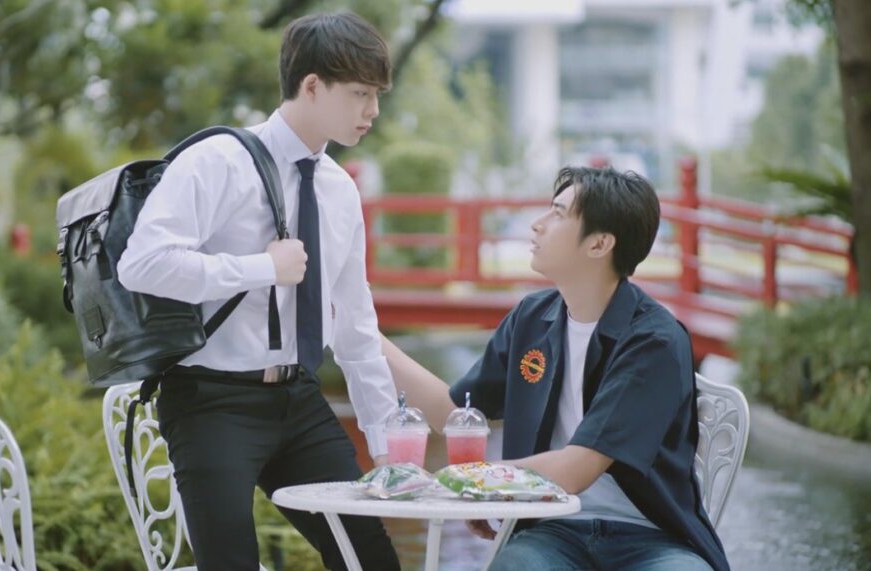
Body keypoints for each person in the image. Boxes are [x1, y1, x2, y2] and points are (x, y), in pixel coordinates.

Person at [117, 12, 400, 571]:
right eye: (360, 93)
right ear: (312, 85)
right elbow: (142, 264)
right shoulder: (218, 161)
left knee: (369, 560)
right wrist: (260, 268)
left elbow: (356, 324)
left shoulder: (339, 190)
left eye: (376, 96)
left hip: (298, 398)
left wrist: (388, 446)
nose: (372, 110)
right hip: (211, 399)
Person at [382, 166, 730, 571]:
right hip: (553, 532)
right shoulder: (532, 319)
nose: (538, 223)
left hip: (653, 538)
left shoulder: (654, 340)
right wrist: (365, 336)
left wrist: (474, 482)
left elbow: (575, 469)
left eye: (559, 214)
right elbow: (453, 412)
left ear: (599, 244)